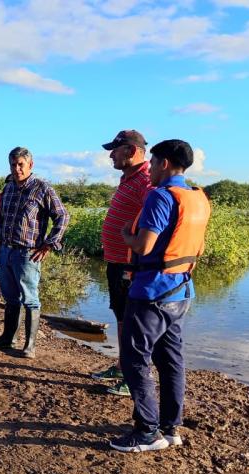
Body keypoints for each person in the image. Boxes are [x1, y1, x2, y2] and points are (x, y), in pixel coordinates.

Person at [109, 139, 211, 453]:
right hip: (182, 290)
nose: (150, 169)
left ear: (163, 163)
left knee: (134, 358)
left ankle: (146, 431)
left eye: (152, 163)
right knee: (170, 360)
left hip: (152, 291)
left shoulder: (160, 196)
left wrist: (127, 235)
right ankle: (171, 427)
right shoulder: (198, 197)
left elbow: (144, 246)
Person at [0, 147, 70, 358]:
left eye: (20, 164)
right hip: (6, 250)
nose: (17, 169)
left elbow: (62, 216)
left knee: (30, 299)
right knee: (10, 298)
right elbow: (0, 223)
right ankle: (8, 337)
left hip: (28, 254)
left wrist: (50, 244)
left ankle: (29, 346)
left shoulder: (42, 188)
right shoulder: (8, 189)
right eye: (13, 165)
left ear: (30, 165)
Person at [91, 130, 153, 397]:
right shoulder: (129, 178)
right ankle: (122, 366)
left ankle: (134, 378)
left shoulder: (146, 181)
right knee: (122, 317)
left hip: (130, 265)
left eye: (115, 150)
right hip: (117, 262)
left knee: (133, 322)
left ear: (131, 151)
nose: (110, 155)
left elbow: (154, 221)